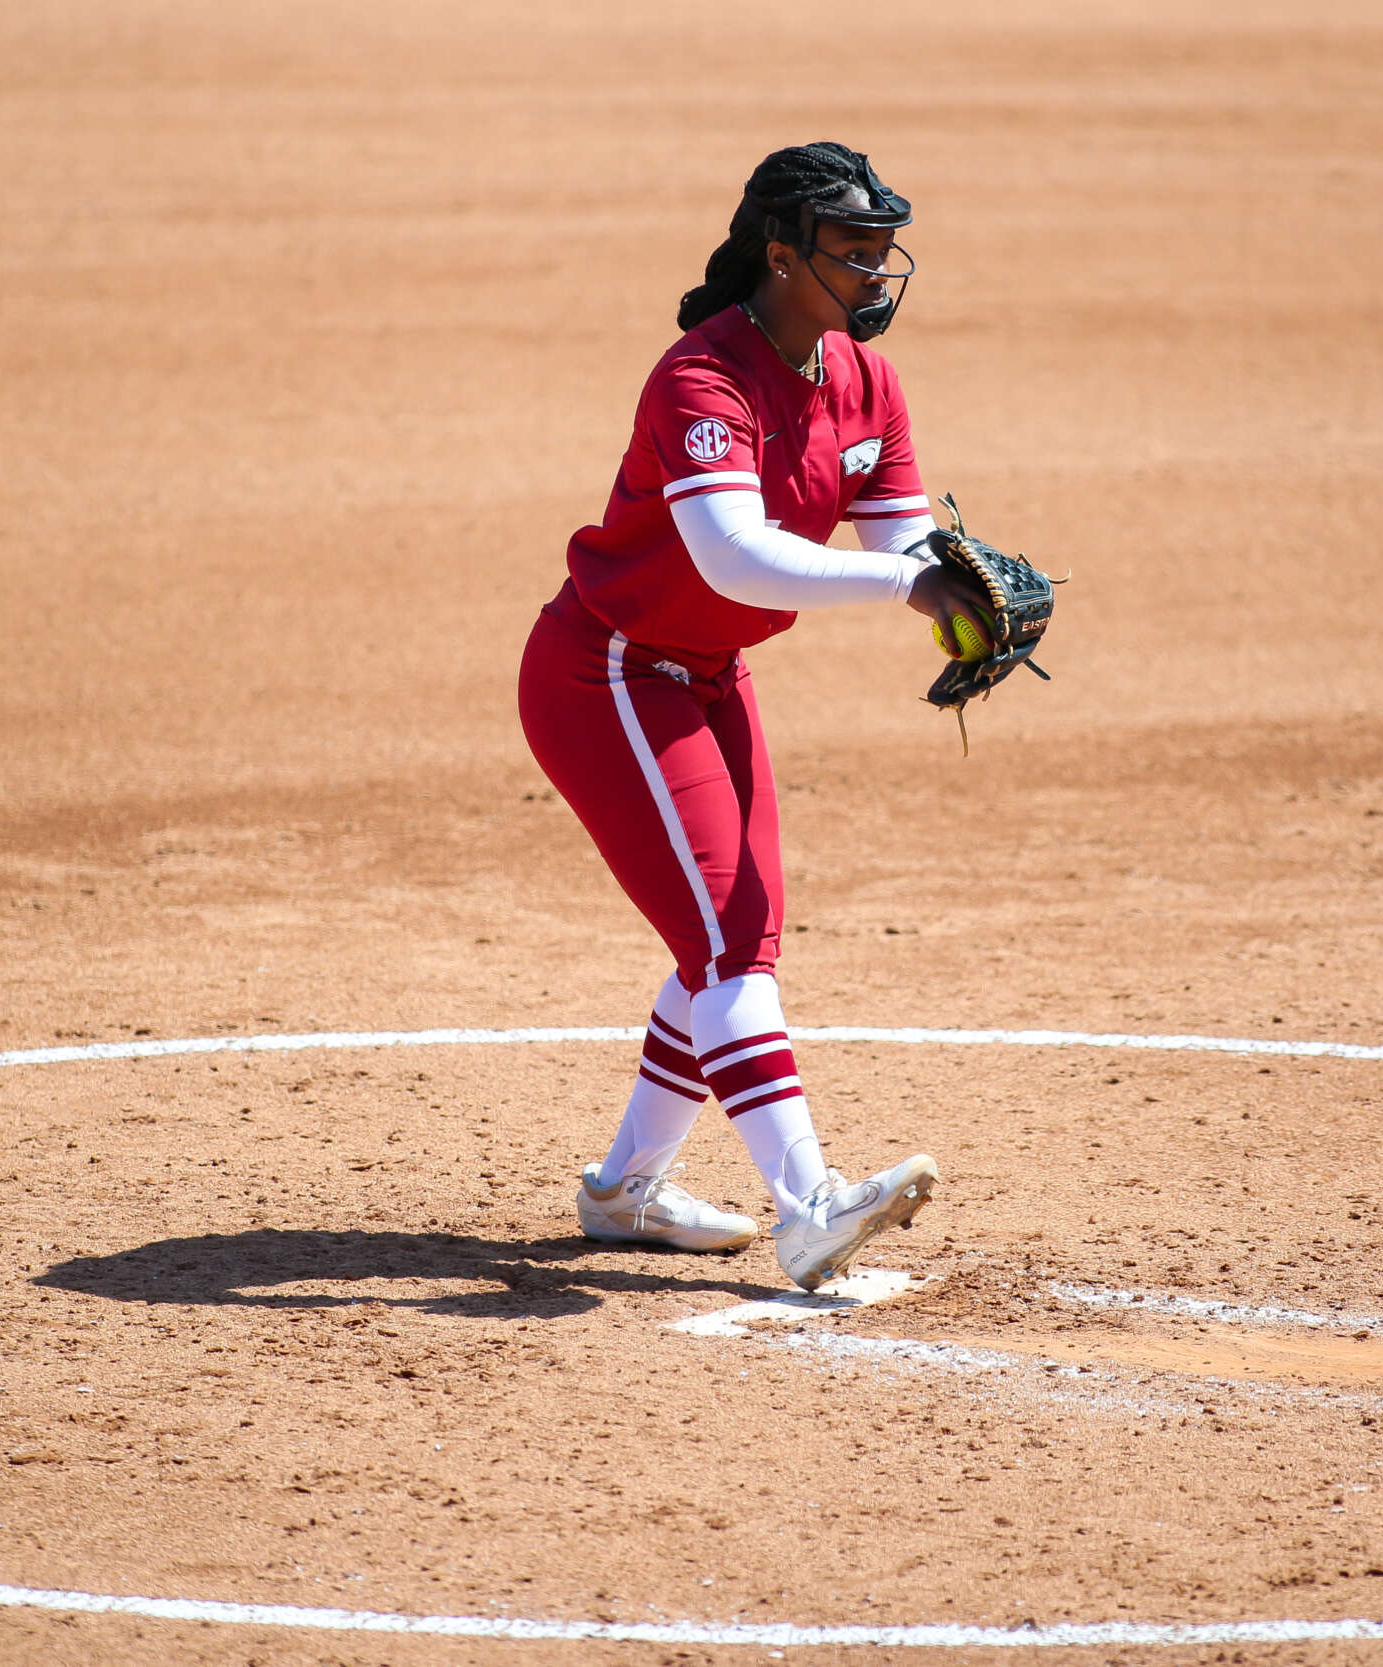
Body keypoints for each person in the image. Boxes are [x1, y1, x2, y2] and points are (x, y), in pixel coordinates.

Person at [516, 143, 989, 1292]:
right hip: (610, 675)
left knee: (735, 935)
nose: (878, 273)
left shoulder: (865, 383)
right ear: (781, 254)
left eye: (885, 250)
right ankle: (810, 1203)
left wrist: (957, 592)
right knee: (729, 940)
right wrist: (910, 589)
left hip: (708, 677)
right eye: (853, 252)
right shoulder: (701, 380)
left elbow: (900, 537)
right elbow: (732, 557)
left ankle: (625, 1189)